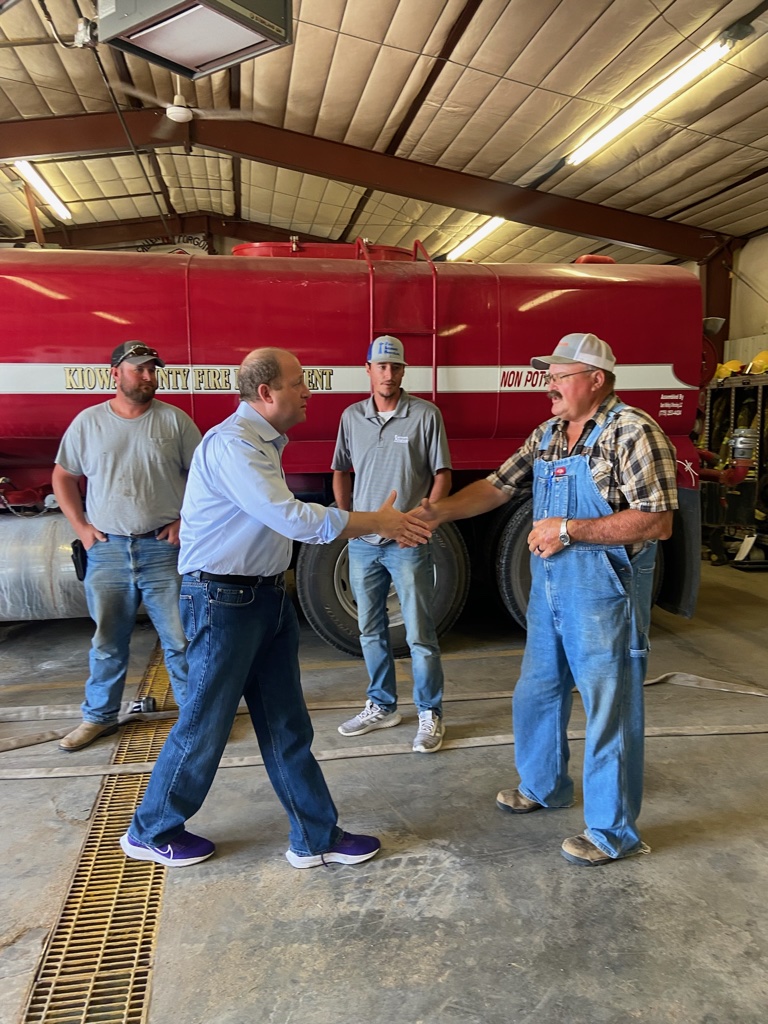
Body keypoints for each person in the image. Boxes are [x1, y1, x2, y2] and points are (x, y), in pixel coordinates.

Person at [120, 347, 432, 870]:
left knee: (287, 724)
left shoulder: (260, 443)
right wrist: (374, 522)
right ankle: (150, 829)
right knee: (204, 724)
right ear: (266, 393)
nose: (309, 391)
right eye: (299, 383)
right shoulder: (233, 445)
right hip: (223, 601)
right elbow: (291, 518)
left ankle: (314, 836)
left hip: (262, 597)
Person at [415, 332, 678, 866]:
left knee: (610, 708)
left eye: (558, 376)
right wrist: (436, 513)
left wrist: (570, 529)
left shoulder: (633, 432)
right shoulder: (549, 433)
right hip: (552, 586)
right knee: (537, 690)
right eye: (548, 376)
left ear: (596, 379)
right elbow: (497, 486)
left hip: (604, 590)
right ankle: (544, 785)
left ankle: (613, 832)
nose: (548, 385)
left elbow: (657, 520)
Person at [53, 342, 201, 753]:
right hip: (108, 552)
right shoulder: (88, 423)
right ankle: (98, 718)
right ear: (115, 373)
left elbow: (206, 478)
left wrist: (183, 520)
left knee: (181, 640)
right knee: (107, 643)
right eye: (140, 369)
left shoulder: (175, 422)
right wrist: (81, 527)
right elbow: (63, 476)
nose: (149, 377)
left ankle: (196, 723)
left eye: (154, 369)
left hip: (163, 550)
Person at [332, 335, 452, 753]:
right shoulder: (351, 417)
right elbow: (341, 470)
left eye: (395, 367)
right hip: (363, 543)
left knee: (419, 631)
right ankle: (382, 706)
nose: (388, 373)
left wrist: (425, 518)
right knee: (370, 629)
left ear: (403, 371)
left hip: (406, 543)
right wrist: (348, 521)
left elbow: (441, 474)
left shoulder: (425, 415)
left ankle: (429, 713)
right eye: (380, 366)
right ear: (367, 370)